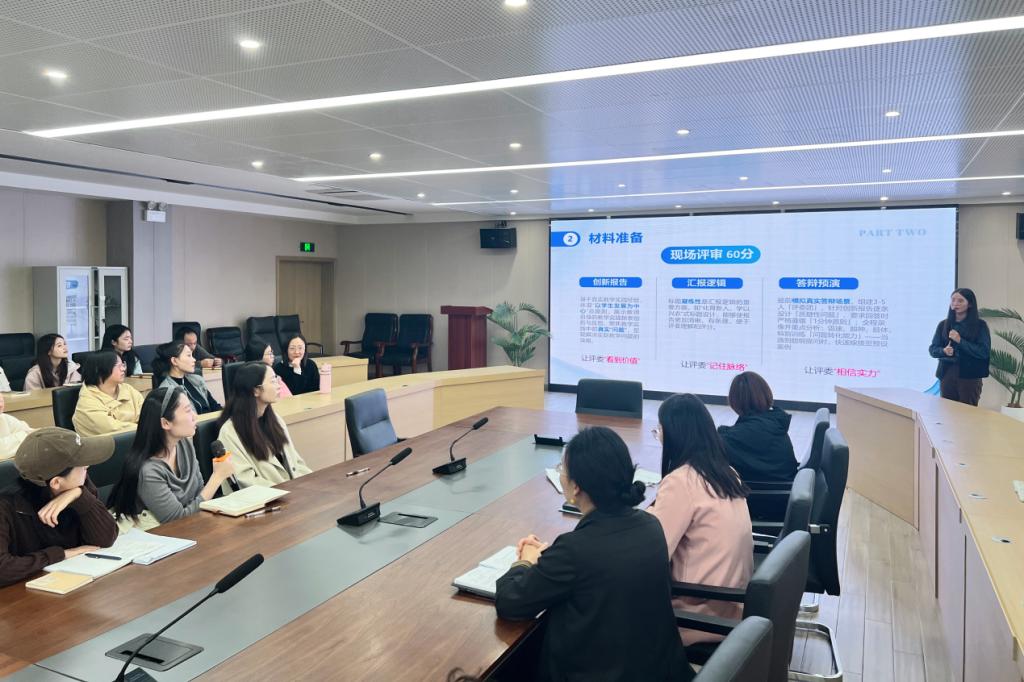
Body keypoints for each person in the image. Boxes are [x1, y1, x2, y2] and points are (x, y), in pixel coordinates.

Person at [494, 426, 693, 682]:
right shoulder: (650, 525)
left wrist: (525, 561)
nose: (561, 474)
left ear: (576, 486)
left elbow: (510, 602)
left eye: (562, 469)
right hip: (655, 670)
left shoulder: (574, 549)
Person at [648, 394, 753, 645]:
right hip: (732, 607)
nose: (659, 436)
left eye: (659, 430)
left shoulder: (681, 482)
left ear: (674, 435)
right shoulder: (727, 473)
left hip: (694, 616)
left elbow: (653, 553)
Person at [0, 427, 118, 586]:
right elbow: (3, 569)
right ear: (56, 482)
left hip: (76, 584)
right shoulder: (5, 506)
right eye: (82, 466)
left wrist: (79, 495)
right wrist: (60, 554)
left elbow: (105, 539)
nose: (87, 467)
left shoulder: (79, 487)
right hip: (25, 594)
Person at [108, 387, 235, 528]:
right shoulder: (149, 471)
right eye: (188, 411)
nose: (195, 416)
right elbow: (177, 520)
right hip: (159, 534)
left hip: (192, 528)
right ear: (166, 423)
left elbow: (199, 492)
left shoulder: (184, 444)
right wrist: (217, 477)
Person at [215, 362, 310, 493]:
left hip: (291, 493)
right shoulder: (229, 432)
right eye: (273, 381)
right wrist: (286, 492)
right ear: (256, 390)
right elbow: (245, 480)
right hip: (267, 499)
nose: (278, 385)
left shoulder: (275, 419)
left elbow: (296, 462)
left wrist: (313, 482)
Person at [717, 371, 797, 482]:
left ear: (734, 401)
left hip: (765, 491)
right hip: (784, 485)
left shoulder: (746, 433)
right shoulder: (774, 422)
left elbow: (716, 445)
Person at [929, 287, 991, 406]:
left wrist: (960, 341)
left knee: (968, 412)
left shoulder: (980, 326)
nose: (955, 303)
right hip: (947, 372)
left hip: (970, 375)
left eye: (960, 301)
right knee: (947, 410)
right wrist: (943, 351)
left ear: (970, 304)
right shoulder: (943, 325)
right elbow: (933, 349)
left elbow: (984, 351)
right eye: (953, 300)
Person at [72, 352, 144, 436]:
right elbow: (113, 429)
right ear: (99, 370)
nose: (123, 369)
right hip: (107, 444)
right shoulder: (87, 402)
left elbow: (146, 414)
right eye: (118, 365)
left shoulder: (128, 389)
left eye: (123, 364)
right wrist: (146, 428)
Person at [154, 341, 222, 415]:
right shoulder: (167, 390)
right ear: (174, 361)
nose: (194, 360)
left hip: (210, 421)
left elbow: (214, 406)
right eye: (189, 355)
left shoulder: (197, 380)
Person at [0, 392, 34, 460]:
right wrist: (23, 435)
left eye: (1, 401)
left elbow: (32, 435)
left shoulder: (4, 418)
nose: (0, 405)